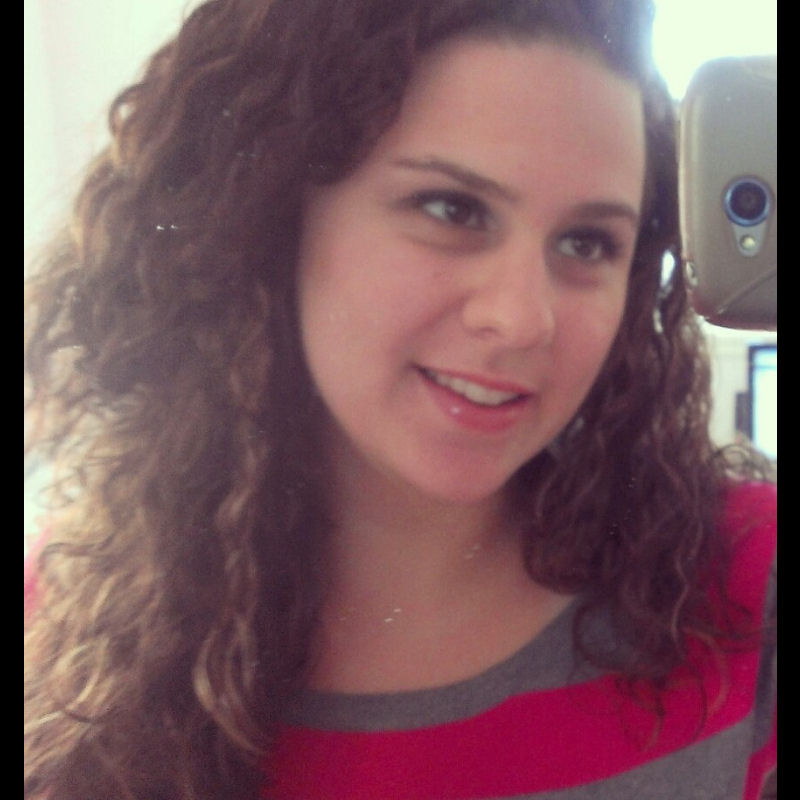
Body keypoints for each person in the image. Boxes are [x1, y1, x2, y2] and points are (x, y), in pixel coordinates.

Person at [24, 1, 776, 798]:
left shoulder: (745, 586)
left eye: (587, 243)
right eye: (453, 209)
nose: (522, 318)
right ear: (272, 217)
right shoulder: (52, 646)